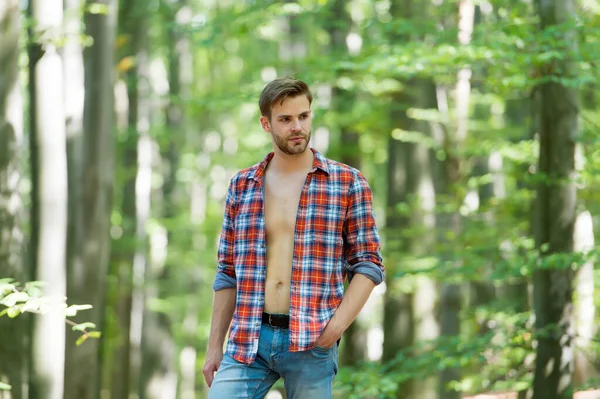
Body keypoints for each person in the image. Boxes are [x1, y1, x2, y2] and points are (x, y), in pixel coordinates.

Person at [202, 76, 385, 399]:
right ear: (266, 124)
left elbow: (369, 264)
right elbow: (227, 271)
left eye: (303, 116)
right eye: (285, 119)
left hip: (312, 340)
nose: (297, 126)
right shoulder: (242, 185)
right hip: (248, 340)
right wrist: (214, 346)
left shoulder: (347, 183)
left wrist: (335, 329)